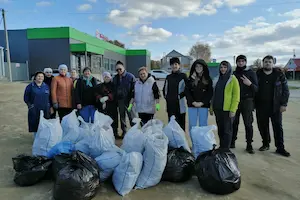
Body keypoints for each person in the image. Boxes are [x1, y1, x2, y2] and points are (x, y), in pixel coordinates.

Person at [255, 55, 290, 157]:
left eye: (270, 62)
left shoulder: (279, 75)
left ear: (273, 63)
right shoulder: (258, 74)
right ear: (263, 62)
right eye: (266, 62)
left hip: (276, 107)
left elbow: (285, 90)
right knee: (263, 127)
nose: (268, 63)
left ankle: (280, 148)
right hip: (261, 106)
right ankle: (265, 144)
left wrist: (284, 104)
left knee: (278, 127)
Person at [232, 55, 258, 154]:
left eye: (243, 61)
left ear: (245, 62)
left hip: (247, 101)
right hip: (235, 101)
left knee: (248, 123)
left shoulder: (251, 73)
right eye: (239, 61)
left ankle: (249, 145)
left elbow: (256, 89)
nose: (241, 63)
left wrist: (250, 84)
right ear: (237, 62)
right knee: (234, 123)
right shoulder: (233, 73)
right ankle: (232, 141)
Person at [210, 61, 240, 149]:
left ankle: (226, 149)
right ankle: (222, 146)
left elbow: (236, 96)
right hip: (217, 108)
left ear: (229, 68)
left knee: (227, 130)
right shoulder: (217, 78)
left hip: (227, 109)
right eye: (221, 67)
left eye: (225, 67)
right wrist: (211, 107)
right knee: (220, 129)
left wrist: (233, 109)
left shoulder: (233, 79)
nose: (223, 69)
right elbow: (213, 94)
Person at [185, 59, 213, 132]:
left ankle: (202, 143)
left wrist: (202, 102)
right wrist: (193, 102)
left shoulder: (208, 79)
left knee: (203, 125)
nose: (198, 68)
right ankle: (194, 143)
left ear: (204, 67)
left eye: (200, 66)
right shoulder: (190, 79)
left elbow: (210, 93)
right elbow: (187, 92)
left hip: (203, 105)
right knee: (192, 126)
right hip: (192, 105)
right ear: (194, 68)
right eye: (196, 66)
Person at [24, 71, 53, 138]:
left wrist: (50, 106)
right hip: (35, 108)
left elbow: (50, 97)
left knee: (45, 123)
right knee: (35, 123)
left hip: (45, 108)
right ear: (35, 77)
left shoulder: (46, 86)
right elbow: (26, 98)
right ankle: (36, 138)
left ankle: (43, 138)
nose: (40, 78)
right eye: (39, 76)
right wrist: (30, 106)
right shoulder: (30, 86)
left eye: (42, 76)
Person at [163, 57, 188, 130]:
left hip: (180, 105)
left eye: (176, 64)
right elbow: (165, 89)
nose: (174, 66)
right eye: (172, 64)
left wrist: (179, 96)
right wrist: (167, 97)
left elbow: (187, 89)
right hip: (170, 106)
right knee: (171, 127)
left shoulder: (183, 76)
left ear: (179, 65)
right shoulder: (168, 77)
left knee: (181, 127)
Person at [113, 61, 136, 138]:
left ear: (123, 68)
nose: (119, 71)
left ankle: (134, 132)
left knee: (132, 117)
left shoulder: (130, 76)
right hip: (120, 101)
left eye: (120, 69)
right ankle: (124, 132)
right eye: (117, 70)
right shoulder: (115, 78)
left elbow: (135, 89)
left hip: (129, 101)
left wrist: (132, 100)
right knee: (122, 117)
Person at [94, 72, 119, 138]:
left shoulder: (114, 85)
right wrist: (100, 98)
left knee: (113, 120)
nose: (106, 78)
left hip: (112, 106)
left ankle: (114, 133)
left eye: (108, 77)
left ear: (110, 77)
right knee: (104, 120)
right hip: (102, 106)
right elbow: (96, 93)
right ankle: (105, 133)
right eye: (105, 77)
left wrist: (108, 97)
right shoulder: (99, 86)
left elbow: (115, 93)